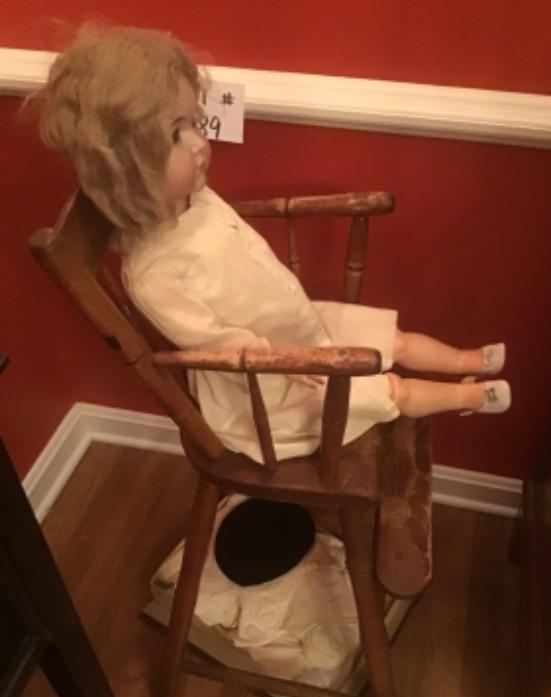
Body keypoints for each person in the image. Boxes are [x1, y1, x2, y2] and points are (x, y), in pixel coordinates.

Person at [35, 25, 511, 464]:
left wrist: (292, 338)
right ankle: (469, 396)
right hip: (263, 383)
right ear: (126, 173)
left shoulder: (193, 199)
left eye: (194, 122)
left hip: (293, 322)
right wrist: (279, 360)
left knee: (395, 340)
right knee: (389, 388)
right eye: (176, 134)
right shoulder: (154, 276)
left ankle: (465, 361)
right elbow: (216, 344)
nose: (199, 143)